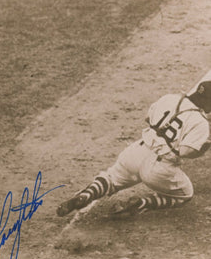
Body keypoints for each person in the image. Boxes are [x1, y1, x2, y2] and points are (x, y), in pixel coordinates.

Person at [57, 76, 211, 218]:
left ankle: (86, 195)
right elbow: (185, 151)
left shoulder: (170, 98)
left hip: (137, 151)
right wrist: (201, 150)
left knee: (110, 178)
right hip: (160, 168)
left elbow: (148, 118)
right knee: (185, 194)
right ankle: (142, 203)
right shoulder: (201, 123)